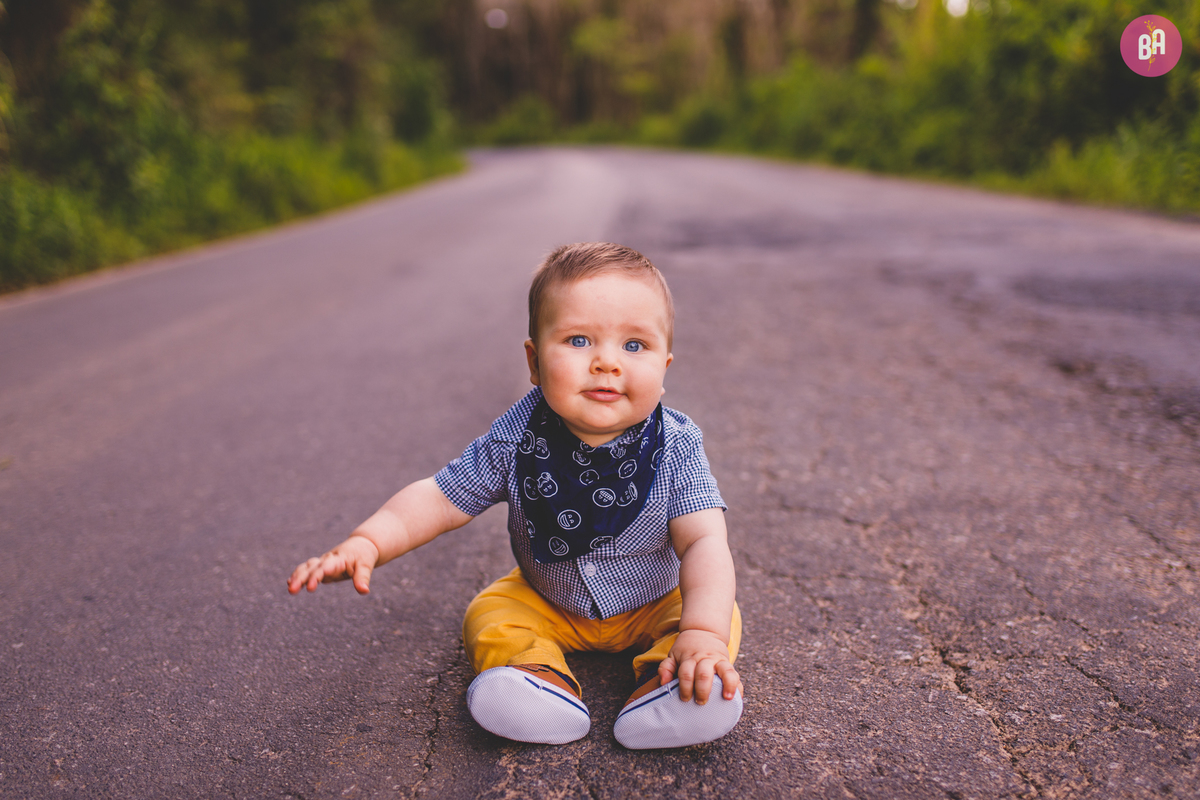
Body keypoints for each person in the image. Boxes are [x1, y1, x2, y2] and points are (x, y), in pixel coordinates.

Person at [288, 242, 742, 749]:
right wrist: (368, 541)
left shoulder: (677, 446)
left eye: (634, 346)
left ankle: (672, 682)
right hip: (549, 598)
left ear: (665, 366)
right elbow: (440, 499)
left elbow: (704, 543)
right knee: (489, 613)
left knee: (715, 614)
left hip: (653, 600)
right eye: (577, 340)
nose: (606, 363)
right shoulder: (516, 439)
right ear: (533, 360)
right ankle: (535, 680)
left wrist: (702, 631)